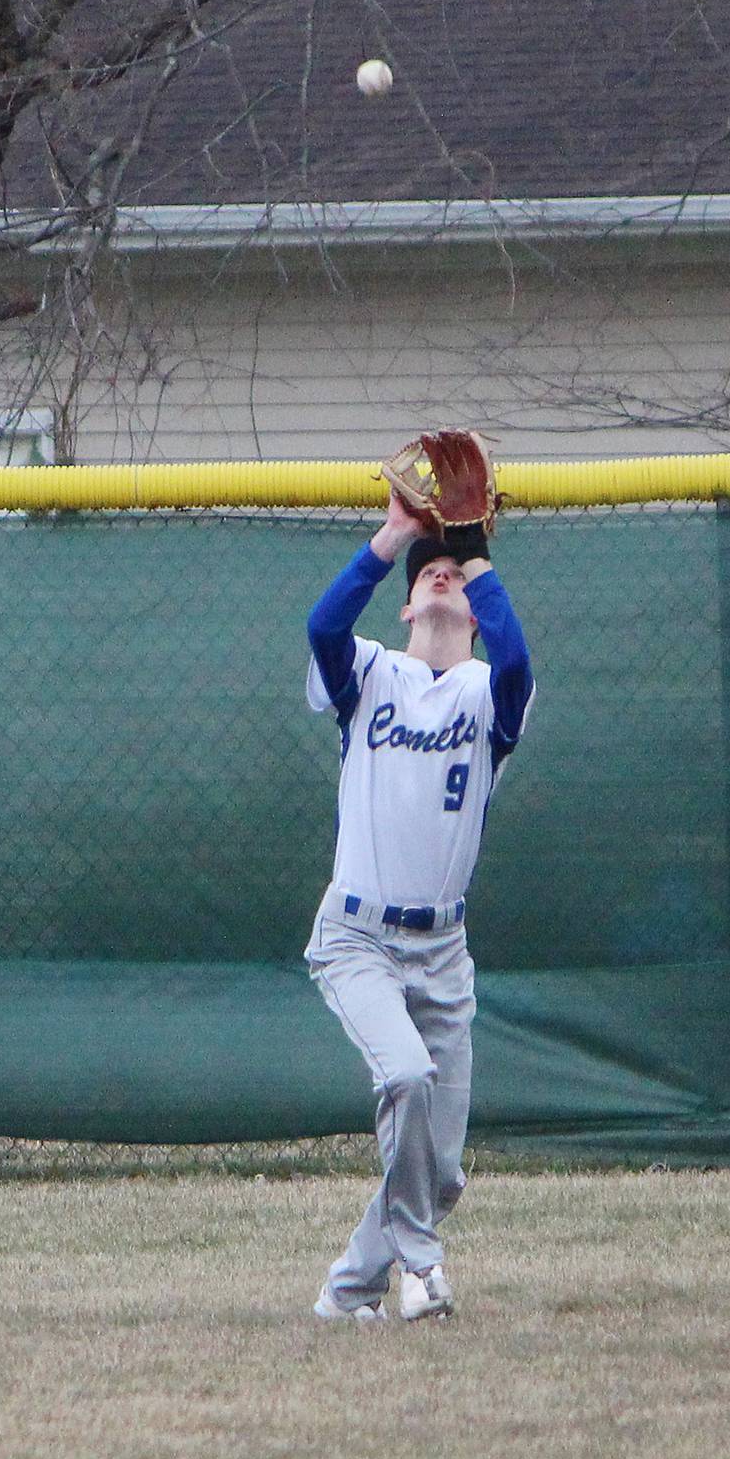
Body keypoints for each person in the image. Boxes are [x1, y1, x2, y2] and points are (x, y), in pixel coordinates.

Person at [304, 489, 534, 1323]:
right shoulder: (369, 673)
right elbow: (323, 629)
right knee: (403, 1074)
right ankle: (421, 1269)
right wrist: (394, 536)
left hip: (443, 952)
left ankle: (345, 1293)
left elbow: (519, 666)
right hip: (358, 936)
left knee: (440, 1173)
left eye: (453, 576)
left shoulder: (487, 695)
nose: (439, 579)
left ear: (475, 611)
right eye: (425, 574)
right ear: (406, 602)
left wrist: (474, 556)